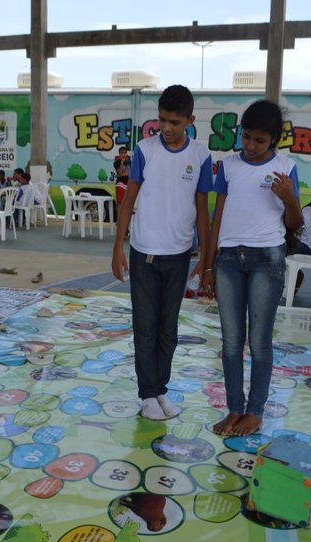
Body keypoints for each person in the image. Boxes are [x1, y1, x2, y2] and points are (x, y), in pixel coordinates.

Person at [200, 99, 303, 437]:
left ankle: (255, 412)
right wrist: (209, 263)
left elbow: (294, 224)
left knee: (259, 341)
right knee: (231, 341)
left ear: (273, 140)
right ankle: (234, 408)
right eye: (246, 137)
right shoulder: (228, 166)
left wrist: (289, 198)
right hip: (228, 260)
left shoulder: (286, 168)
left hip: (267, 259)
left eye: (260, 140)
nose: (251, 146)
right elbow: (217, 218)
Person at [111, 84, 213, 420]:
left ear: (190, 120)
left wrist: (205, 259)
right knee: (145, 325)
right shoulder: (144, 150)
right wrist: (118, 248)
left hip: (179, 254)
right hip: (143, 252)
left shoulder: (200, 155)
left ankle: (161, 390)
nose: (166, 128)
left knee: (168, 328)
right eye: (161, 121)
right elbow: (129, 200)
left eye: (174, 122)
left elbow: (202, 210)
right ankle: (146, 394)